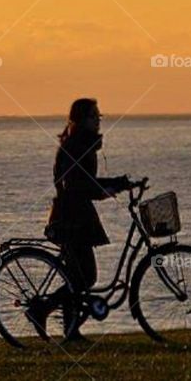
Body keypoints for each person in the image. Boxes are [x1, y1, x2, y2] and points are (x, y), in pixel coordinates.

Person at [29, 97, 132, 341]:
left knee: (79, 276)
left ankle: (71, 329)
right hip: (70, 218)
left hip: (78, 215)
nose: (98, 121)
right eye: (93, 116)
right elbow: (75, 184)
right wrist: (104, 190)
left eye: (99, 116)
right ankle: (43, 310)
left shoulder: (81, 144)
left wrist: (118, 183)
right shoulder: (76, 146)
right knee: (84, 276)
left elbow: (86, 182)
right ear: (81, 120)